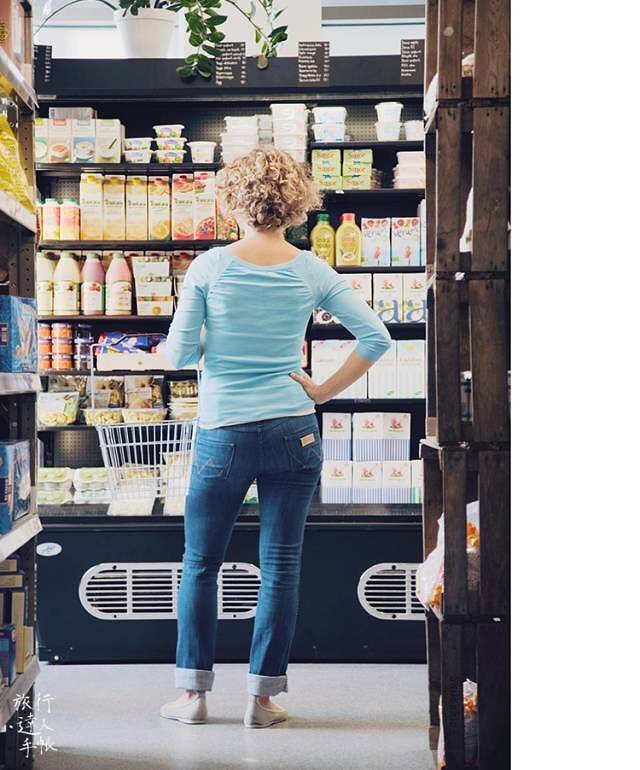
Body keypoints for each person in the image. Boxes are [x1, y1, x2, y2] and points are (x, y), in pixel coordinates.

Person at [160, 148, 391, 728]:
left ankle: (193, 696)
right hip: (294, 430)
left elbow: (179, 354)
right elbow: (376, 337)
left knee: (200, 563)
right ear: (295, 205)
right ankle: (262, 701)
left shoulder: (209, 267)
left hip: (223, 432)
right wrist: (322, 390)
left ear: (231, 202)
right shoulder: (311, 269)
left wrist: (208, 343)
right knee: (281, 565)